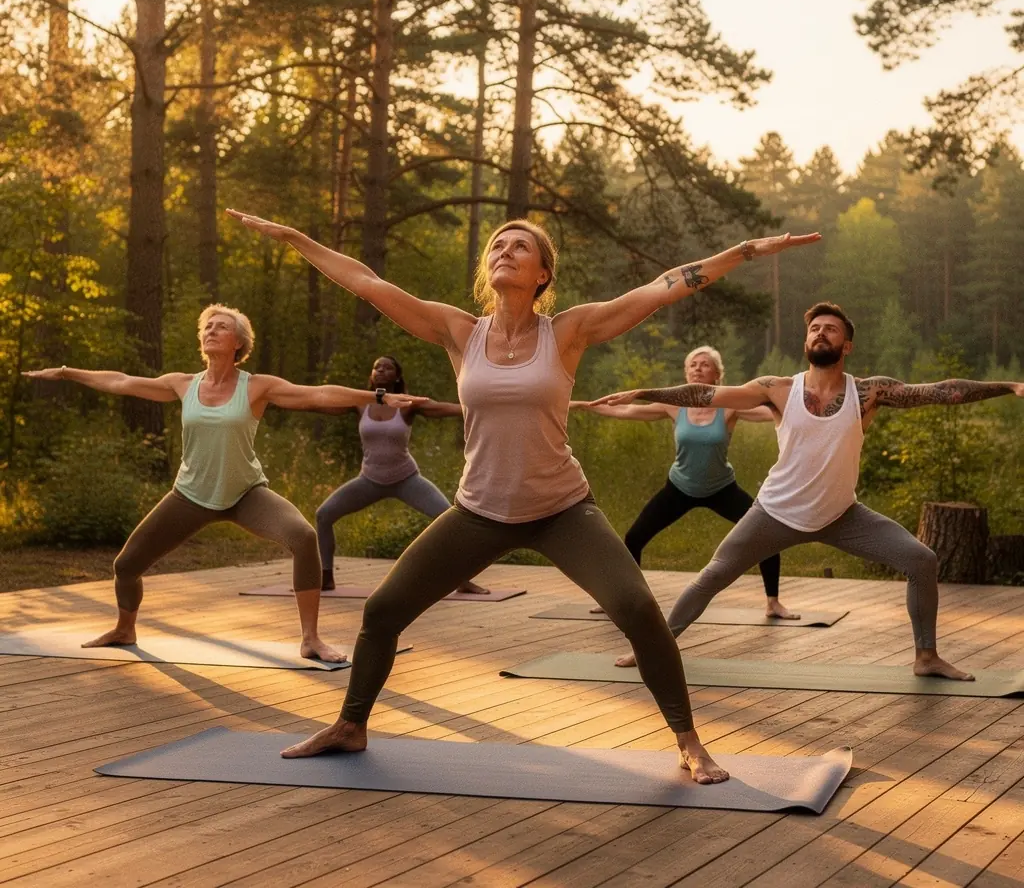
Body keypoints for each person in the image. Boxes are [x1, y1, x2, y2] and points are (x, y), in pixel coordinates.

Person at [230, 204, 819, 783]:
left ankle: (688, 741)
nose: (504, 251)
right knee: (382, 612)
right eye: (497, 245)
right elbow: (367, 281)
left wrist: (743, 253)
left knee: (638, 610)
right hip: (478, 512)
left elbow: (663, 288)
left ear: (543, 275)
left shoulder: (567, 331)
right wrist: (293, 235)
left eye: (520, 246)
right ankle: (351, 725)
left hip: (562, 509)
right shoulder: (459, 330)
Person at [599, 301, 1024, 675]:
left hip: (843, 515)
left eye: (831, 328)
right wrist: (644, 390)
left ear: (847, 346)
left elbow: (940, 391)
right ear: (806, 342)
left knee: (922, 560)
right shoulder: (777, 389)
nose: (821, 332)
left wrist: (1008, 386)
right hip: (775, 513)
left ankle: (926, 657)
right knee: (713, 575)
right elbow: (706, 393)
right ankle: (653, 649)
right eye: (815, 328)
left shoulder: (869, 392)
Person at [23, 304, 424, 663]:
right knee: (126, 565)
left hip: (245, 493)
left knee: (303, 537)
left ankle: (311, 639)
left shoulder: (256, 386)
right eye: (207, 326)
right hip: (190, 495)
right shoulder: (183, 384)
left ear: (239, 342)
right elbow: (121, 381)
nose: (211, 330)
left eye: (221, 326)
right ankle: (125, 628)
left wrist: (380, 397)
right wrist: (65, 372)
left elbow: (318, 394)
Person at [573, 344, 800, 619]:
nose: (697, 368)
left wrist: (808, 407)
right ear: (685, 373)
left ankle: (773, 603)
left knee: (765, 534)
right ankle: (623, 599)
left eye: (705, 364)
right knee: (634, 537)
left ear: (717, 375)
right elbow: (626, 412)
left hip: (722, 489)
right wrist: (583, 405)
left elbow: (777, 413)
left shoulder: (730, 407)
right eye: (692, 364)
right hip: (679, 488)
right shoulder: (673, 406)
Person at [316, 354, 488, 595]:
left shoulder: (407, 405)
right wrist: (281, 400)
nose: (381, 371)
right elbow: (320, 403)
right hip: (369, 480)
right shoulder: (360, 403)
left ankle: (463, 580)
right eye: (377, 367)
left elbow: (442, 408)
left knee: (450, 519)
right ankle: (326, 577)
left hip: (406, 479)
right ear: (371, 375)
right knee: (324, 515)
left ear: (397, 376)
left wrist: (478, 408)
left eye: (387, 368)